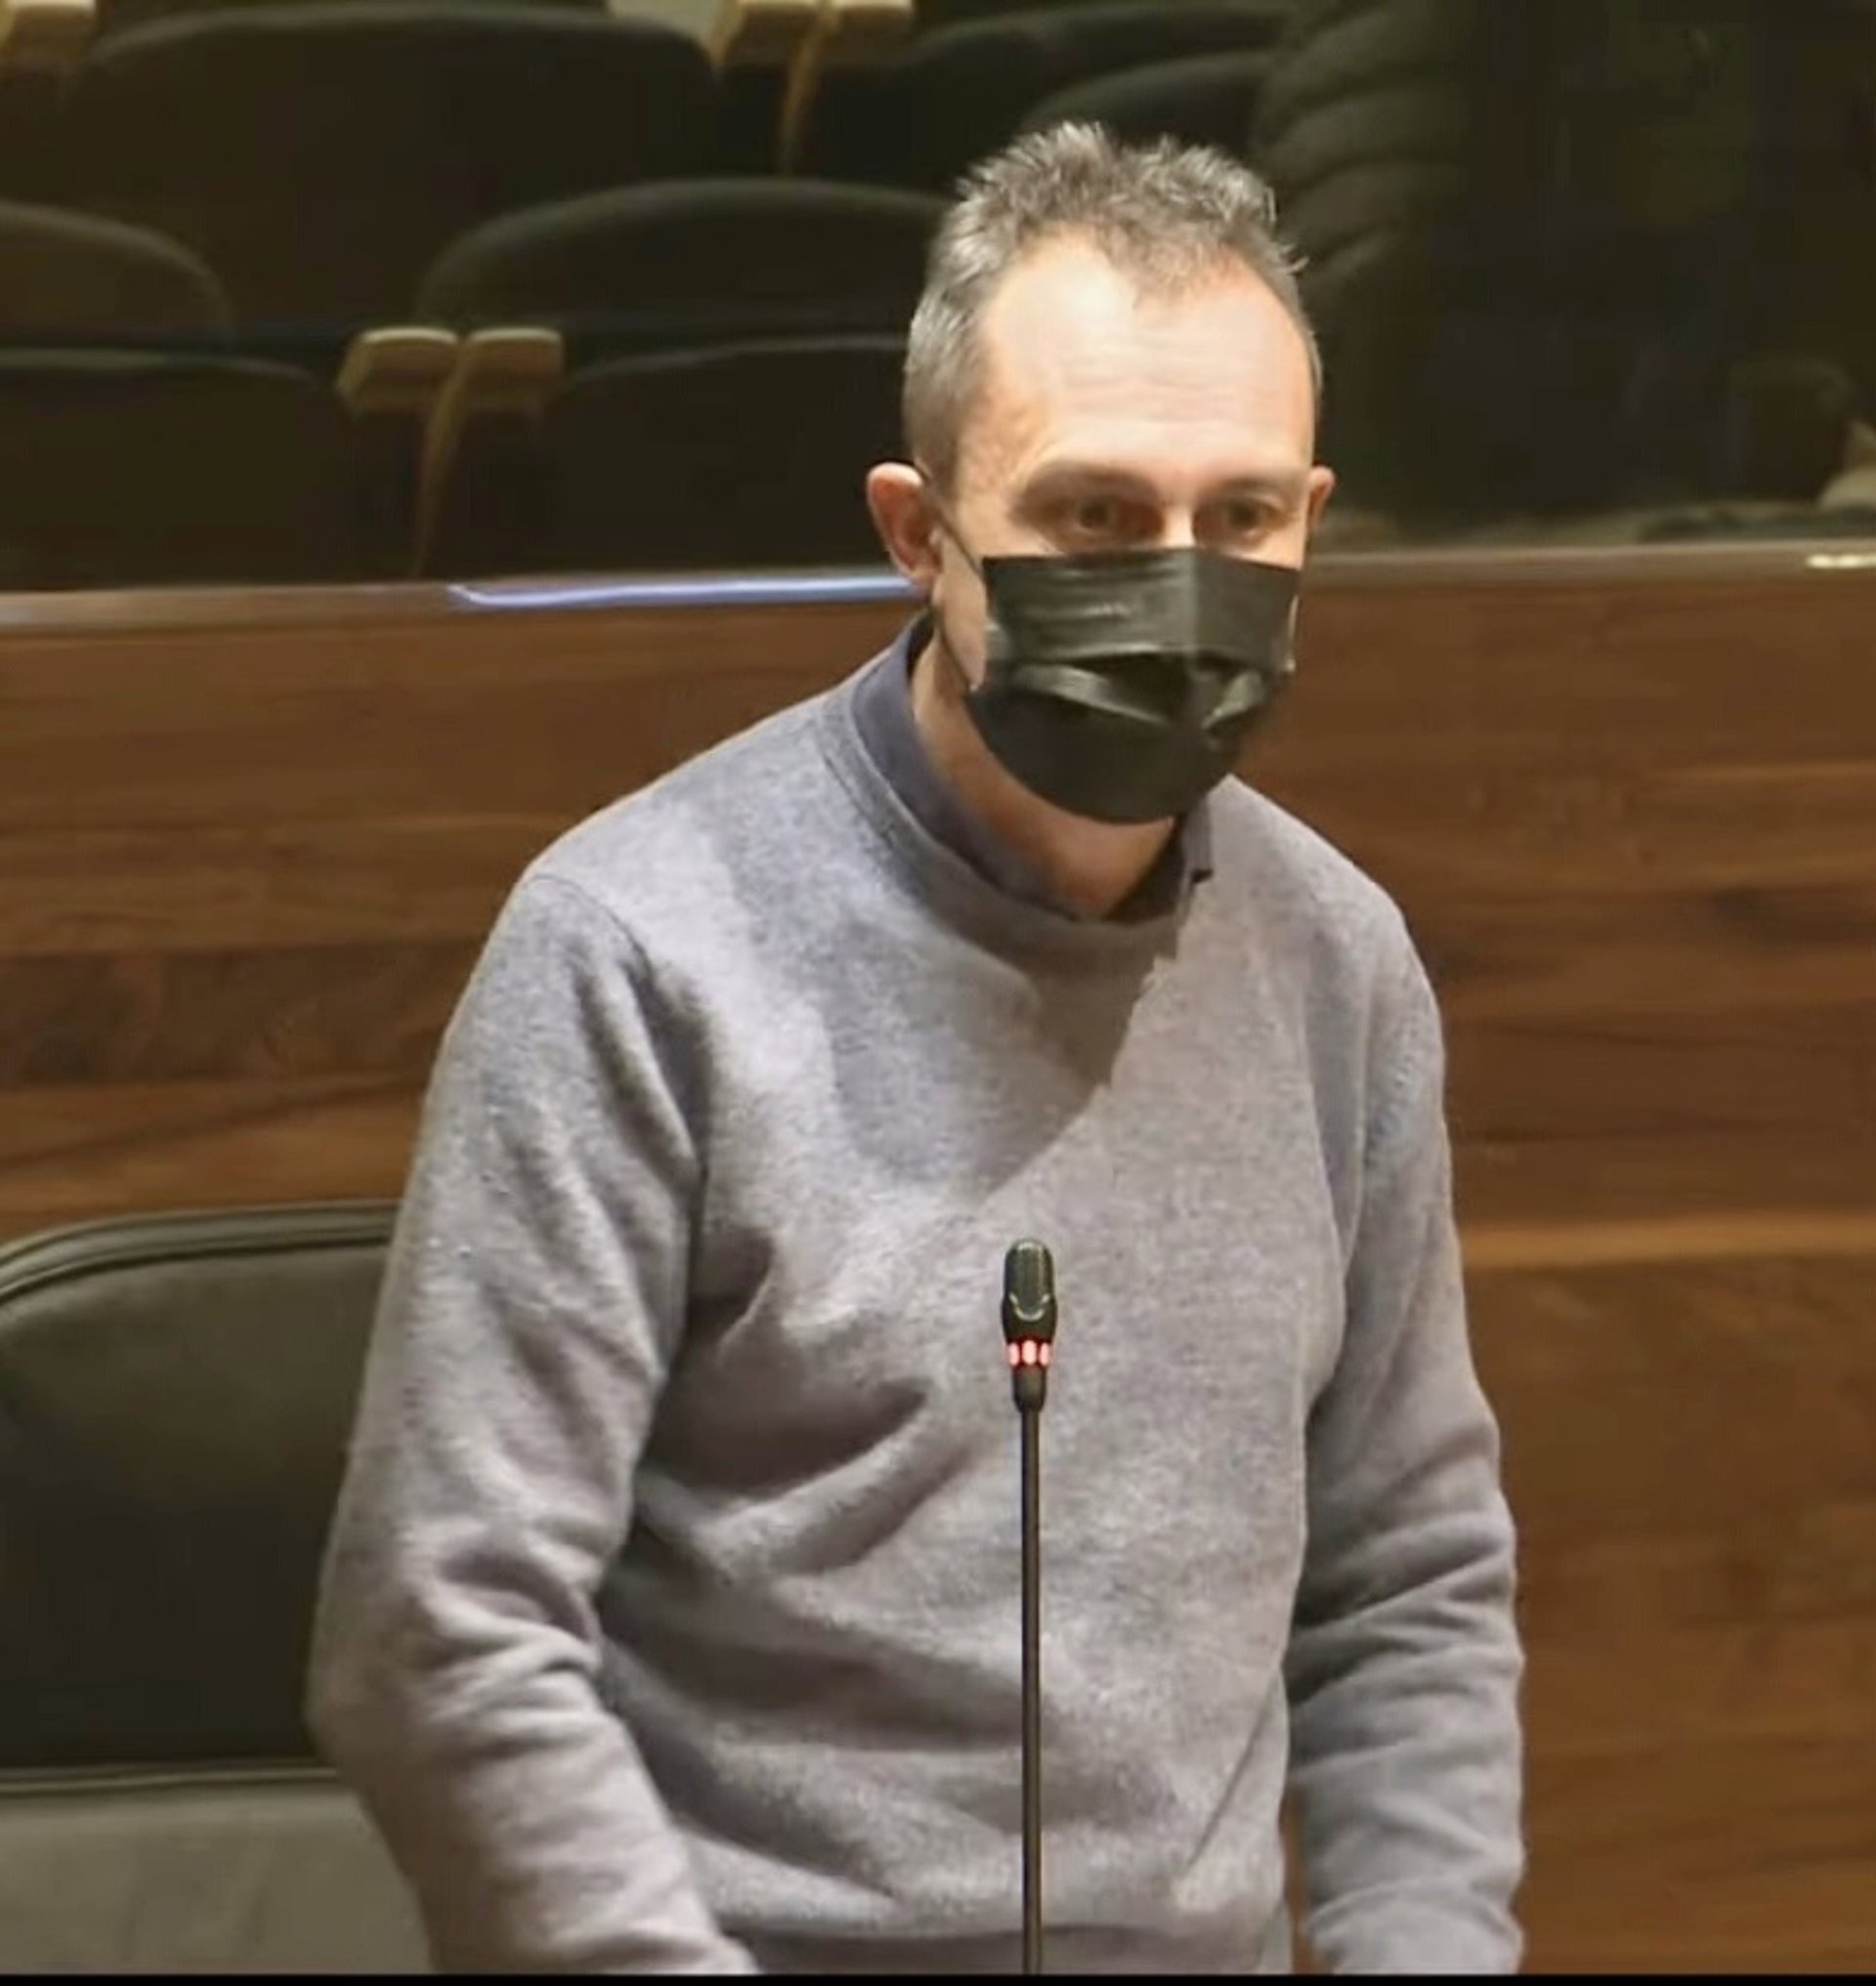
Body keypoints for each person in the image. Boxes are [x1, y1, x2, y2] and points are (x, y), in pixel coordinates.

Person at [309, 123, 1525, 1974]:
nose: (1181, 583)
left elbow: (1409, 1590)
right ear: (917, 529)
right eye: (1096, 516)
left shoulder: (1336, 964)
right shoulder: (640, 947)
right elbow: (440, 1627)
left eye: (1243, 519)